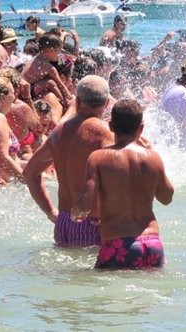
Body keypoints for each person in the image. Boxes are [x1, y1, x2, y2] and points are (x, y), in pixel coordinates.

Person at [72, 99, 174, 269]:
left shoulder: (98, 158)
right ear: (141, 128)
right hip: (152, 245)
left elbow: (85, 204)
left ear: (111, 126)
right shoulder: (153, 157)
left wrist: (75, 213)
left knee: (105, 294)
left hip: (118, 245)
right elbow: (167, 198)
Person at [24, 76, 114, 247]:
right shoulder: (105, 133)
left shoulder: (59, 133)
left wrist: (50, 211)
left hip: (64, 222)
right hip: (94, 223)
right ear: (108, 102)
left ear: (78, 101)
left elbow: (30, 173)